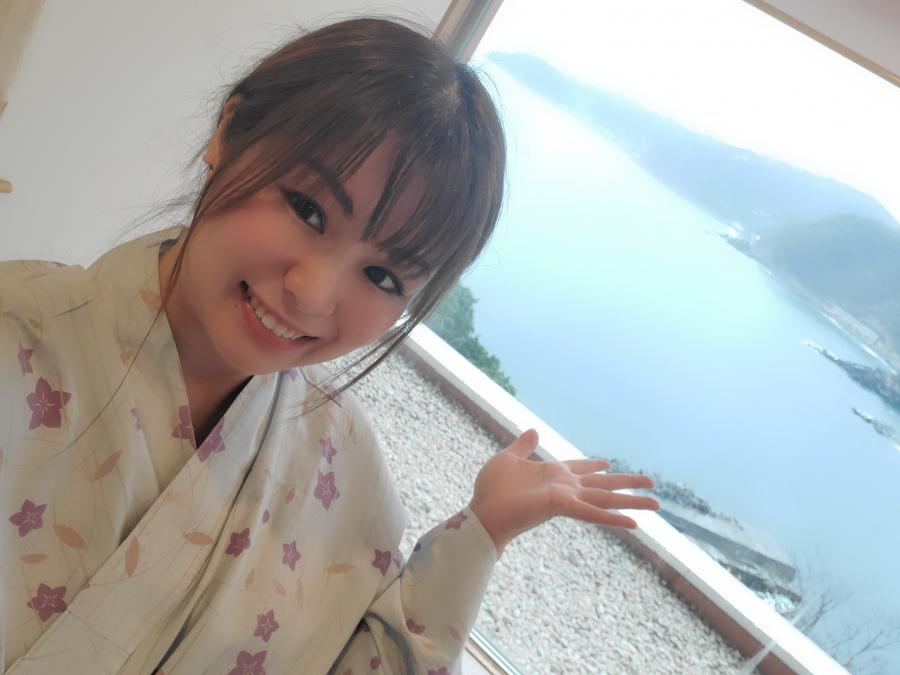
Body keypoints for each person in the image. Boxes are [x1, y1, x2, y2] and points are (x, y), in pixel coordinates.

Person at [0, 17, 659, 675]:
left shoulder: (345, 473)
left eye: (382, 276)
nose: (312, 295)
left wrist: (484, 530)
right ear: (230, 132)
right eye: (307, 209)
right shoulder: (16, 332)